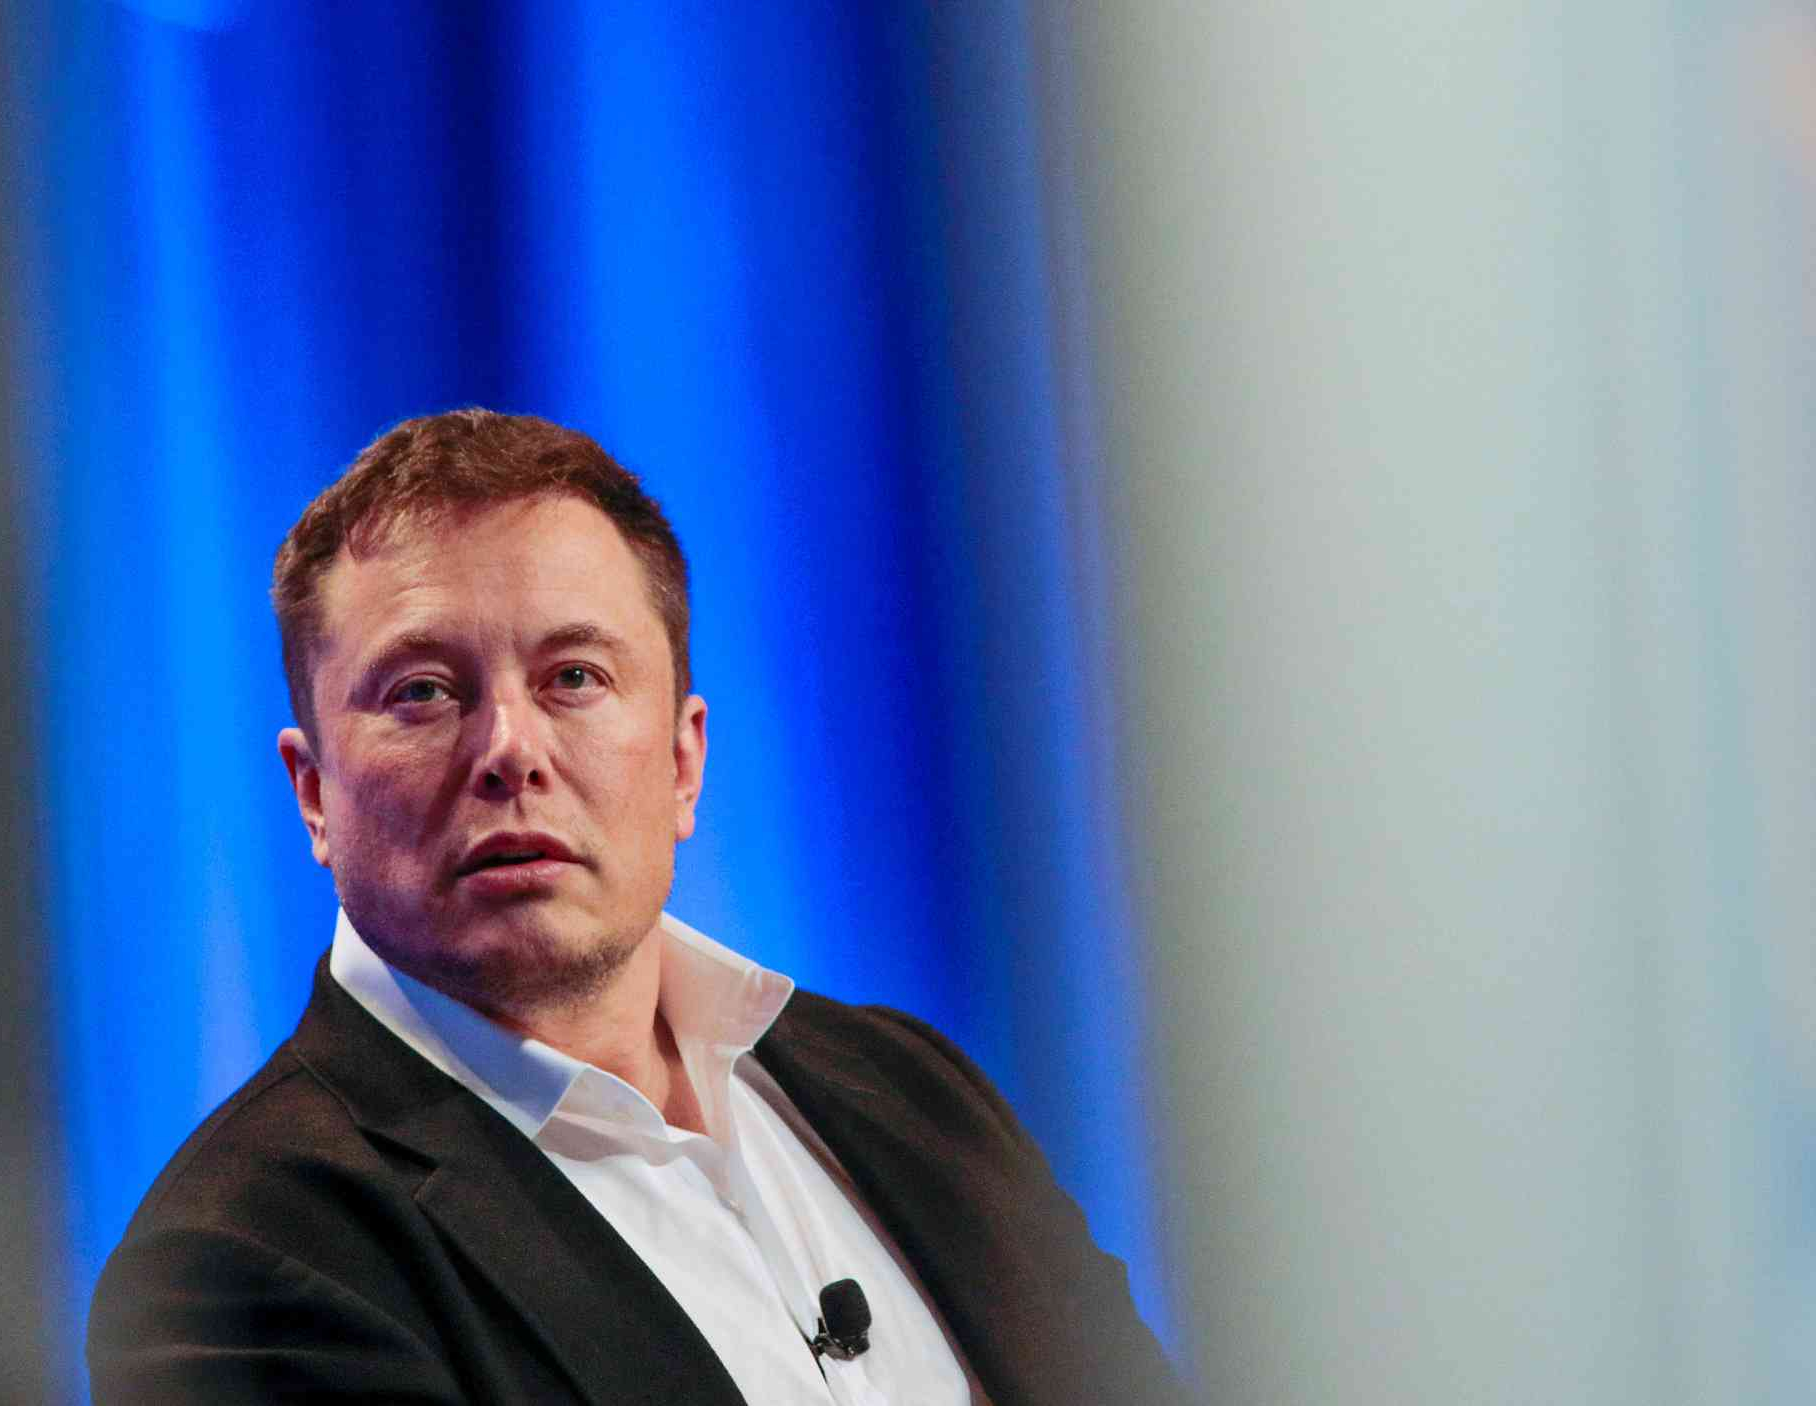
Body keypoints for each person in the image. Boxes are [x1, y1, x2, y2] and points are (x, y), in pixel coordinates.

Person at [86, 410, 1184, 1405]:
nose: (511, 750)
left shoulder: (915, 1093)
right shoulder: (238, 1261)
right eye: (422, 691)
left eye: (574, 676)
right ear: (315, 793)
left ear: (682, 761)